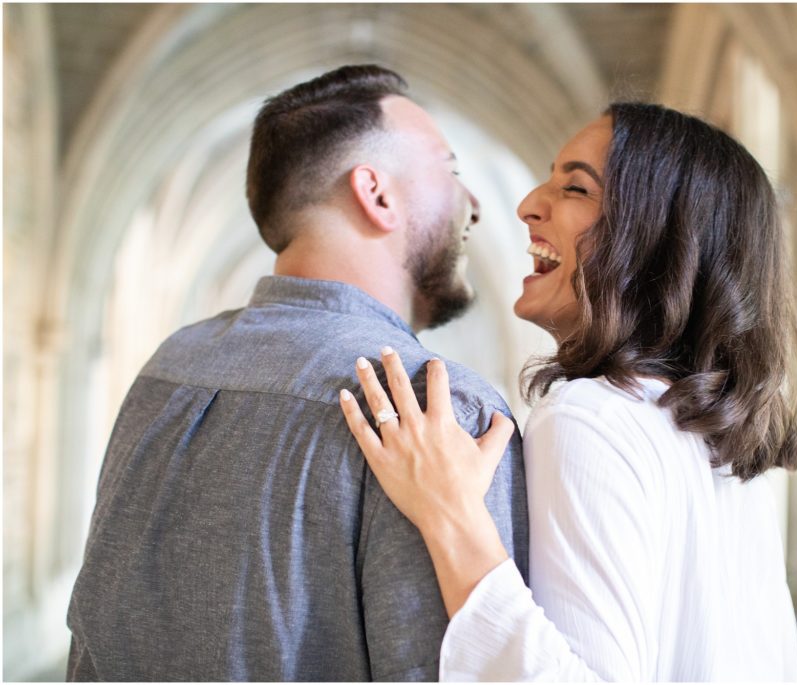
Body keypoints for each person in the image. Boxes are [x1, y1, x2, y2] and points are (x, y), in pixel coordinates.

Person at [66, 64, 528, 681]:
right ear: (377, 194)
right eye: (450, 170)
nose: (472, 204)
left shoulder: (168, 367)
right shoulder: (435, 411)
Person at [340, 103, 797, 681]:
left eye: (576, 188)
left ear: (653, 239)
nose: (529, 205)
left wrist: (450, 516)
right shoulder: (719, 443)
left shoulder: (592, 417)